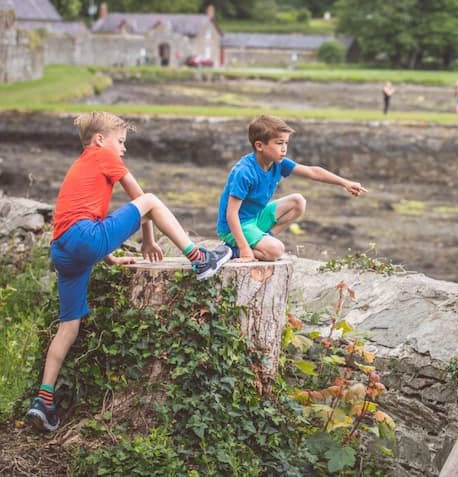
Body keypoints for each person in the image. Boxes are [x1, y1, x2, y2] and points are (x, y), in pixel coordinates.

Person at [25, 112, 231, 433]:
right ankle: (199, 257)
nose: (123, 149)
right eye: (120, 142)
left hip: (62, 251)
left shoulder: (81, 166)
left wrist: (110, 259)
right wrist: (148, 239)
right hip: (83, 239)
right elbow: (140, 197)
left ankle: (43, 401)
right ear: (99, 140)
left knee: (68, 328)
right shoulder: (101, 156)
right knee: (151, 198)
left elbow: (77, 225)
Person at [218, 114, 367, 262]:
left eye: (286, 143)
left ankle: (264, 241)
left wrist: (345, 183)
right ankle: (235, 249)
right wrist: (244, 249)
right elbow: (231, 214)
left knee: (298, 202)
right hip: (233, 226)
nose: (284, 149)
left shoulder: (278, 162)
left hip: (255, 218)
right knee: (276, 251)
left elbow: (312, 171)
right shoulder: (244, 172)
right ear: (259, 145)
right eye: (279, 143)